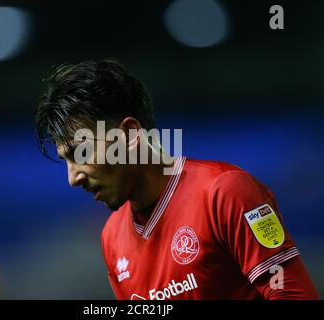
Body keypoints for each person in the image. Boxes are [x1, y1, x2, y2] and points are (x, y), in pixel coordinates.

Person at [35, 58, 319, 300]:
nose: (73, 177)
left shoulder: (226, 192)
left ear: (131, 135)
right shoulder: (111, 237)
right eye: (66, 160)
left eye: (81, 152)